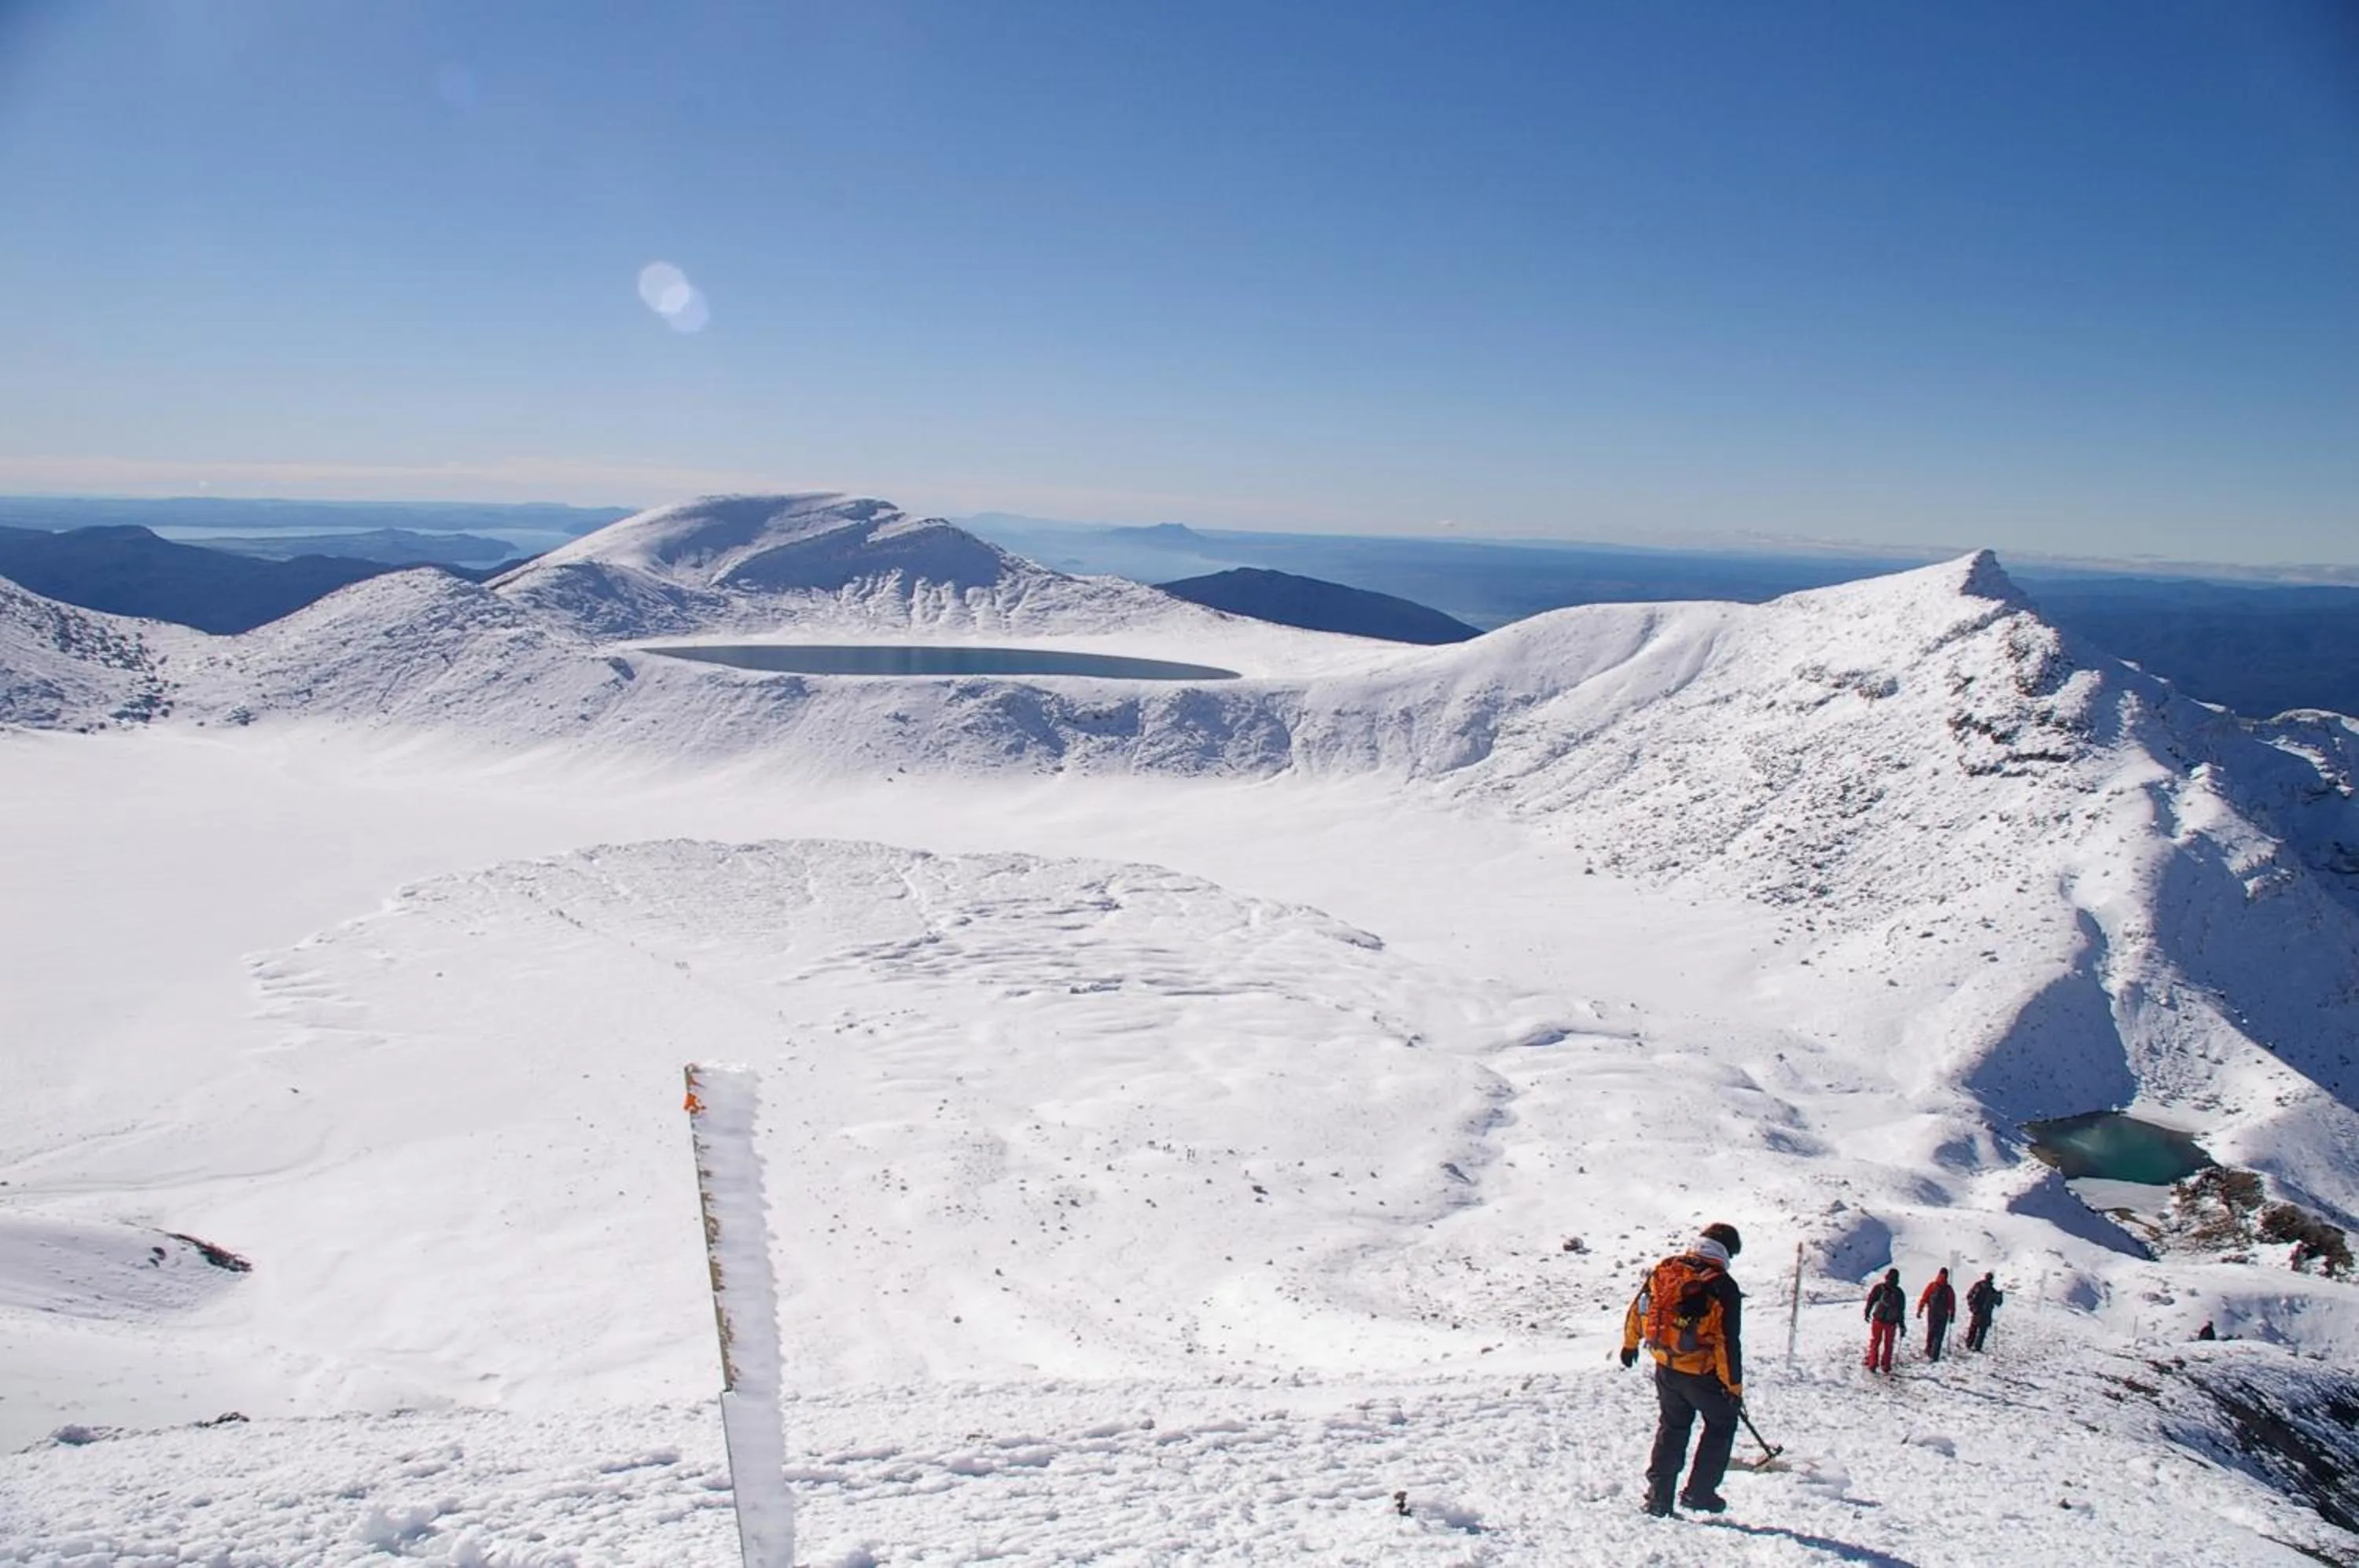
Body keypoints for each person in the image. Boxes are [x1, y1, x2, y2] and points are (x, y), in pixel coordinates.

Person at [1620, 1222, 1746, 1518]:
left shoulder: (1668, 1268)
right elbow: (1727, 1342)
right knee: (1721, 1423)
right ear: (1726, 1251)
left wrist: (1630, 1344)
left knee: (1672, 1426)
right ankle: (1699, 1494)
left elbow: (1639, 1307)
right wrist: (1733, 1388)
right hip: (1701, 1373)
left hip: (1666, 1365)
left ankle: (1658, 1497)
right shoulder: (1722, 1286)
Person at [1863, 1268, 1904, 1374]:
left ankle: (1873, 1363)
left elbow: (1871, 1300)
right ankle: (1886, 1365)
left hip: (1878, 1319)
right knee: (1888, 1344)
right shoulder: (1899, 1293)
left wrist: (1867, 1312)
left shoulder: (1880, 1288)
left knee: (1875, 1341)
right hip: (1891, 1323)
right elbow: (1901, 1311)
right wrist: (1902, 1325)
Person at [1917, 1267, 1957, 1361]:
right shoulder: (1948, 1289)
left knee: (1931, 1331)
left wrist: (1920, 1310)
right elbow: (1952, 1303)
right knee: (1939, 1335)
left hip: (1932, 1313)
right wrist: (1952, 1315)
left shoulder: (1932, 1286)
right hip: (1943, 1315)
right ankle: (1935, 1355)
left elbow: (1924, 1298)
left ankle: (1929, 1349)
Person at [1963, 1272, 2003, 1352]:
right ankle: (1976, 1347)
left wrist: (1973, 1307)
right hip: (1985, 1313)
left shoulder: (1979, 1286)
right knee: (1981, 1331)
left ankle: (1969, 1344)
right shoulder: (1991, 1290)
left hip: (1979, 1312)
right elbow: (1999, 1303)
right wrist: (2000, 1296)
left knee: (1974, 1329)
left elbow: (1970, 1296)